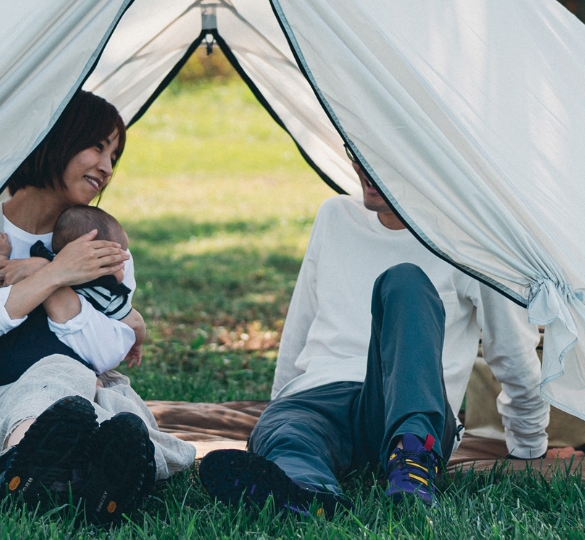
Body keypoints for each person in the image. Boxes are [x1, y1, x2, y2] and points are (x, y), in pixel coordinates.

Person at [200, 158, 549, 513]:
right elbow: (301, 323)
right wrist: (279, 405)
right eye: (355, 150)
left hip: (404, 404)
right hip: (319, 399)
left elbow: (511, 351)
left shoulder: (470, 240)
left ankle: (412, 465)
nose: (364, 165)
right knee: (289, 435)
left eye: (381, 154)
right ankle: (306, 491)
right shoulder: (335, 216)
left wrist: (530, 445)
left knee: (404, 280)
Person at [0, 90, 160, 525]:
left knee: (118, 418)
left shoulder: (101, 241)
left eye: (115, 155)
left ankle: (55, 478)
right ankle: (53, 470)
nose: (107, 167)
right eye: (97, 146)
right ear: (55, 136)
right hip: (5, 392)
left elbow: (108, 350)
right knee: (51, 396)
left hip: (90, 388)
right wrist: (54, 274)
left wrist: (54, 282)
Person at [0, 205, 146, 445]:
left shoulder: (40, 262)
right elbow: (135, 323)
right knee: (95, 386)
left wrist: (0, 255)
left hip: (6, 357)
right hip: (60, 360)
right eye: (121, 261)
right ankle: (84, 436)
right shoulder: (108, 292)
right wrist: (137, 344)